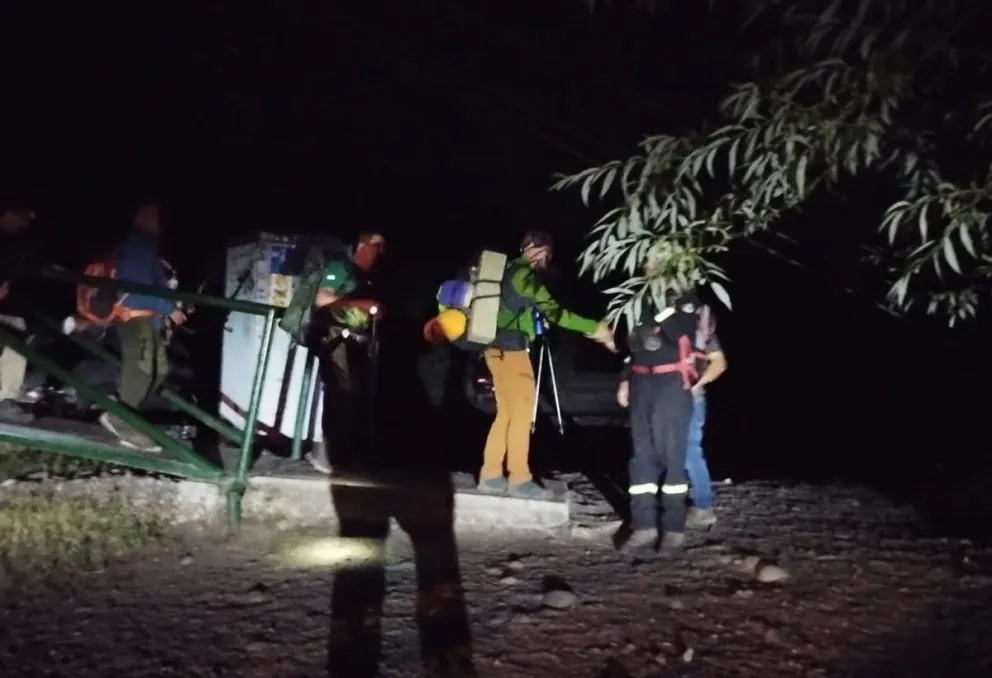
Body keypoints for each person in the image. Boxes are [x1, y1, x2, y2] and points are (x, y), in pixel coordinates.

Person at [476, 230, 615, 499]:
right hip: (512, 351)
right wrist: (595, 328)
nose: (547, 261)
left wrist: (534, 323)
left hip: (493, 349)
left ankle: (491, 475)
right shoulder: (526, 276)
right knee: (522, 414)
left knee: (506, 413)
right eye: (547, 255)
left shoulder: (506, 273)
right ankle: (519, 478)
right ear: (539, 251)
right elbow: (558, 313)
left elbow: (514, 312)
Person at [97, 200, 187, 451]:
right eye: (151, 216)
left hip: (150, 318)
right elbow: (137, 284)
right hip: (136, 316)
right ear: (140, 219)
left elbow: (155, 284)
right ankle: (121, 417)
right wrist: (171, 309)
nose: (157, 222)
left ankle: (125, 412)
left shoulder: (150, 248)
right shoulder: (138, 243)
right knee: (142, 368)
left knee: (159, 370)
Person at [616, 291, 701, 553]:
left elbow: (681, 333)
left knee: (671, 456)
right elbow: (633, 348)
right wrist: (624, 380)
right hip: (642, 384)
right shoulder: (639, 303)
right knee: (641, 456)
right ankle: (644, 525)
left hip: (671, 385)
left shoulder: (684, 301)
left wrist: (665, 307)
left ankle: (673, 528)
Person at [305, 233, 385, 475]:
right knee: (341, 394)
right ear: (361, 245)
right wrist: (360, 305)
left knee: (349, 396)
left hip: (352, 341)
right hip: (335, 338)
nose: (379, 253)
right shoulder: (340, 266)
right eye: (376, 246)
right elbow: (321, 298)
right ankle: (325, 455)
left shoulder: (360, 274)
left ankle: (341, 455)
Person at [685, 306, 728, 529]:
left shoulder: (699, 325)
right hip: (666, 397)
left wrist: (695, 385)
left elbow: (719, 364)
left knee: (689, 450)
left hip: (690, 398)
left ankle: (703, 506)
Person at [0, 199, 41, 423]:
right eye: (22, 215)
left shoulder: (18, 242)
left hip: (10, 308)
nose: (25, 222)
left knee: (16, 340)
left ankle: (5, 397)